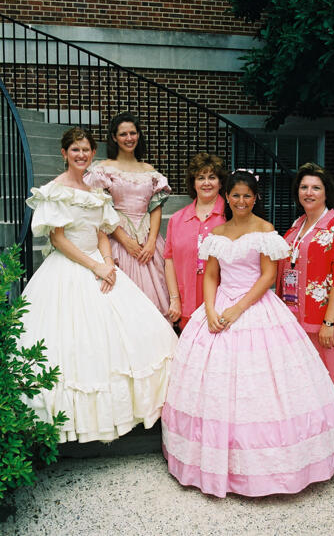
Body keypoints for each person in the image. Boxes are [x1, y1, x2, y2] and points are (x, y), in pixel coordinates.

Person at [162, 169, 334, 498]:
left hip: (255, 306)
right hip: (219, 304)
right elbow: (210, 276)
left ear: (256, 198)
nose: (241, 201)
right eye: (235, 195)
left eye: (247, 196)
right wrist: (210, 309)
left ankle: (273, 466)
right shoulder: (216, 233)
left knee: (262, 389)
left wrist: (238, 309)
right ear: (228, 197)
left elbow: (267, 277)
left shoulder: (266, 230)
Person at [19, 127, 178, 444]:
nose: (81, 155)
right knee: (77, 346)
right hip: (70, 267)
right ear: (64, 154)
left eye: (86, 150)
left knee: (140, 333)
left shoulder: (96, 192)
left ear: (93, 154)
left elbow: (103, 232)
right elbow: (58, 238)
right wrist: (94, 266)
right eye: (75, 150)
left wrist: (109, 263)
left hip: (100, 263)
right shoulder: (56, 190)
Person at [276, 162, 334, 419]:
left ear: (326, 192)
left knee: (330, 386)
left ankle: (333, 444)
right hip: (296, 321)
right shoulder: (296, 226)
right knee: (305, 388)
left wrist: (329, 322)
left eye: (315, 187)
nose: (308, 192)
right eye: (304, 187)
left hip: (326, 324)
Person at [84, 112, 170, 317]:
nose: (129, 138)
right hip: (117, 236)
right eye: (123, 134)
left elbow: (156, 207)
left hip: (148, 238)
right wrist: (125, 241)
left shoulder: (149, 170)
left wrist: (150, 242)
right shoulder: (103, 169)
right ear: (114, 137)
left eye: (133, 133)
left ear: (139, 135)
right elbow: (101, 211)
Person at [164, 153, 227, 330]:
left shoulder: (230, 218)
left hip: (221, 304)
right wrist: (175, 299)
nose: (206, 182)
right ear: (193, 183)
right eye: (201, 177)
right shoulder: (177, 220)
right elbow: (169, 261)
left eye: (212, 177)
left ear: (220, 183)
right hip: (187, 302)